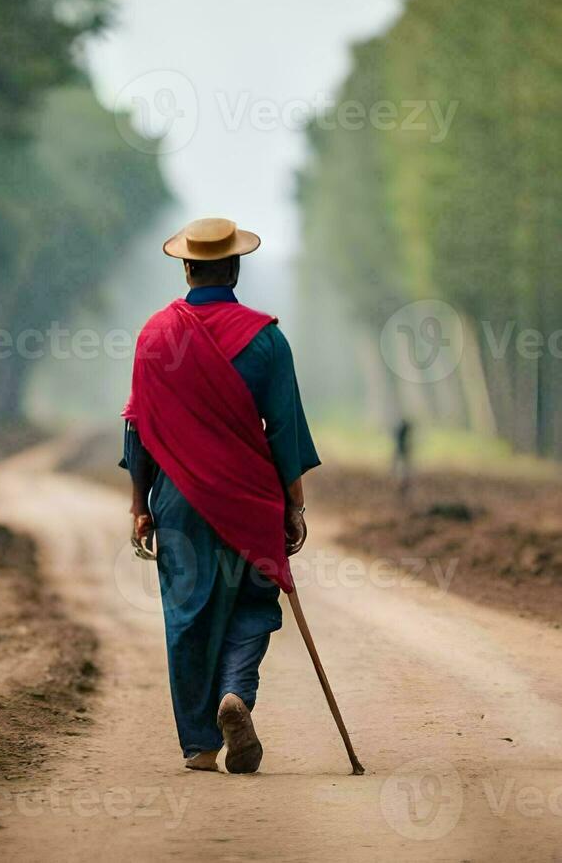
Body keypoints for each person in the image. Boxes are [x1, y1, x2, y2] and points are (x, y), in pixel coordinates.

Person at [120, 217, 319, 774]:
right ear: (234, 267)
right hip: (250, 500)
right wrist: (294, 505)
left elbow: (139, 425)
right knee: (252, 602)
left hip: (179, 502)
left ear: (186, 268)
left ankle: (201, 746)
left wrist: (140, 505)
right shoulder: (267, 339)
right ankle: (236, 693)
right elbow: (284, 428)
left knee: (187, 617)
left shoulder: (155, 336)